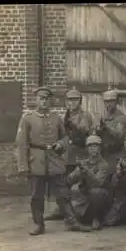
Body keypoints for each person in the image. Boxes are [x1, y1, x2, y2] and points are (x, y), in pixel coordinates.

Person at [16, 86, 89, 235]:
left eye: (47, 99)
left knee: (63, 193)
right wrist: (23, 166)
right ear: (36, 100)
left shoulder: (56, 118)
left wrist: (60, 144)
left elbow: (65, 137)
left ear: (50, 101)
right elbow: (21, 143)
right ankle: (39, 224)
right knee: (37, 195)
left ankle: (71, 222)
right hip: (36, 160)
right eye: (41, 99)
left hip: (54, 160)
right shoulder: (28, 118)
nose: (44, 101)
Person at [45, 87, 95, 221]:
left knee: (78, 186)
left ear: (80, 101)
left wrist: (73, 126)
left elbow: (84, 132)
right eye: (70, 100)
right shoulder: (65, 117)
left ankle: (78, 213)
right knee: (63, 184)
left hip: (80, 155)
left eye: (75, 100)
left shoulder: (85, 116)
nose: (72, 103)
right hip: (66, 156)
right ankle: (62, 210)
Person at [66, 133, 112, 230]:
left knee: (97, 192)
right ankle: (75, 217)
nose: (92, 148)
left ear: (100, 148)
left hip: (100, 200)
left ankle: (97, 218)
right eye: (90, 146)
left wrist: (87, 171)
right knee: (72, 189)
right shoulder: (84, 162)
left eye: (95, 146)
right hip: (85, 198)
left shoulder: (103, 164)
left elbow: (98, 182)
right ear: (87, 148)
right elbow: (69, 180)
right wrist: (78, 171)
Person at [96, 88, 126, 173]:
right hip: (105, 155)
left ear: (116, 102)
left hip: (117, 155)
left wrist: (107, 128)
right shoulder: (103, 118)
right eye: (106, 102)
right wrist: (98, 130)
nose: (109, 104)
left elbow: (119, 135)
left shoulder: (121, 118)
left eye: (111, 101)